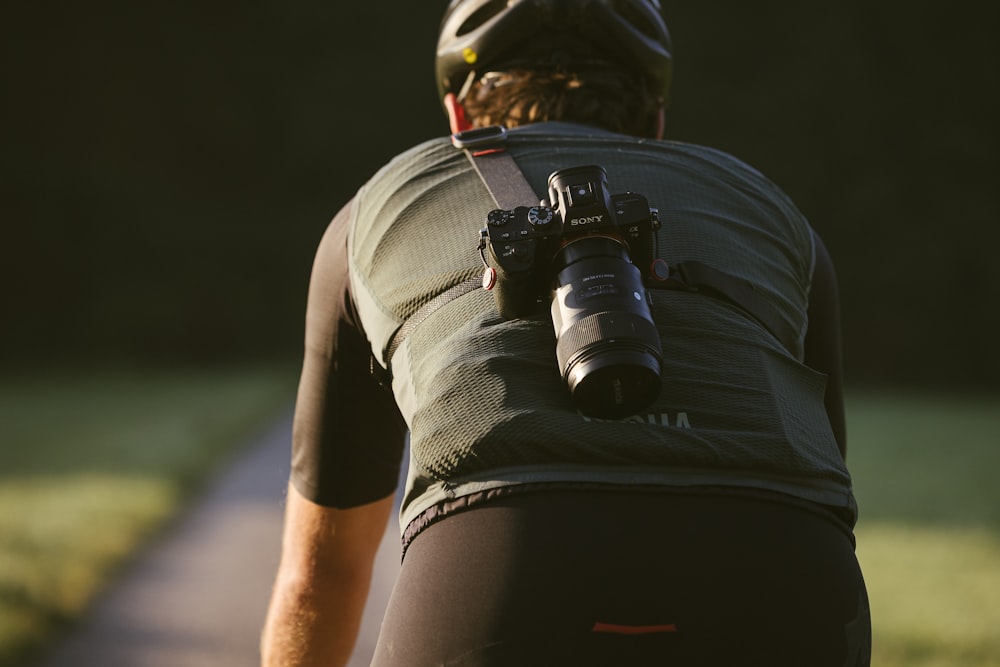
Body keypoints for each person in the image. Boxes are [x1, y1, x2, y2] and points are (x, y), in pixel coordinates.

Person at [261, 1, 871, 665]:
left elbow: (320, 575)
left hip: (495, 574)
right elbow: (828, 480)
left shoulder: (374, 208)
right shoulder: (774, 212)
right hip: (785, 572)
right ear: (655, 122)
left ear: (460, 116)